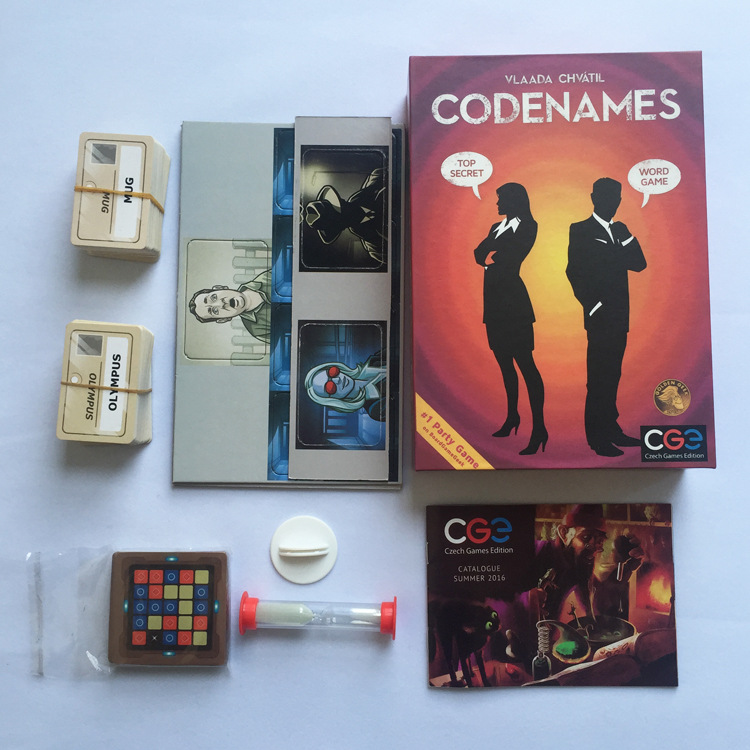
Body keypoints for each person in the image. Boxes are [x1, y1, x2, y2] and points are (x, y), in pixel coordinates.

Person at [566, 178, 646, 457]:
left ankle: (612, 429)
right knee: (598, 377)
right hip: (599, 316)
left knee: (613, 374)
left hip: (620, 316)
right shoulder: (580, 229)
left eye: (616, 197)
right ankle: (597, 438)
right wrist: (592, 305)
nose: (613, 202)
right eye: (606, 196)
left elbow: (639, 264)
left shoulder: (620, 231)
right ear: (594, 198)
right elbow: (573, 271)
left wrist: (626, 235)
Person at [474, 182, 547, 455]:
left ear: (514, 200)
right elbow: (479, 254)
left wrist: (492, 255)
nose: (497, 204)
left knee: (526, 365)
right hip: (493, 304)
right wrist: (492, 256)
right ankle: (512, 416)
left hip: (514, 305)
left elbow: (507, 257)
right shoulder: (497, 227)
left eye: (501, 199)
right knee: (505, 365)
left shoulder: (528, 225)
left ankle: (539, 428)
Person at [188, 269, 271, 344]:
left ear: (220, 288)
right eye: (215, 311)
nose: (222, 304)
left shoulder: (269, 276)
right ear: (224, 319)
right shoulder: (257, 331)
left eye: (213, 297)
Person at [304, 350, 386, 421]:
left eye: (332, 373)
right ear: (333, 400)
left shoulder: (374, 360)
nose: (337, 380)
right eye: (330, 387)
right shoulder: (376, 410)